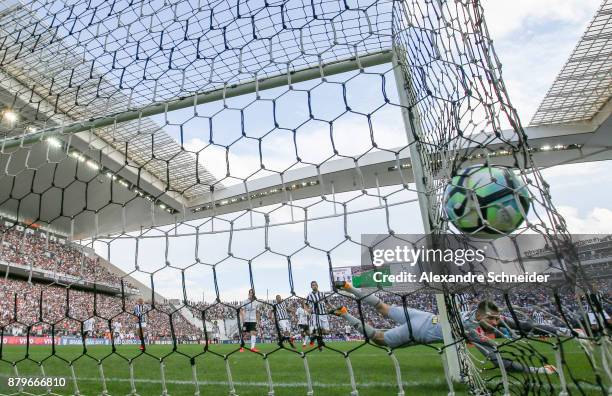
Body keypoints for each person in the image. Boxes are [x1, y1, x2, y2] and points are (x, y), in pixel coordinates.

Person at [331, 281, 559, 375]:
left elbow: (514, 323)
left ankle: (350, 288)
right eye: (494, 320)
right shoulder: (469, 329)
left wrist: (557, 330)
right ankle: (345, 313)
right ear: (481, 315)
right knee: (379, 339)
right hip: (418, 330)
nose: (497, 324)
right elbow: (500, 362)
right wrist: (537, 371)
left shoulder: (474, 314)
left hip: (424, 316)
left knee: (382, 306)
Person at [306, 281, 330, 348]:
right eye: (313, 285)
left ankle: (313, 337)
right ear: (311, 287)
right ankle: (320, 344)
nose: (314, 286)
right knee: (318, 329)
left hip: (323, 314)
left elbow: (327, 302)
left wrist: (333, 308)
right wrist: (307, 310)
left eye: (315, 285)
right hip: (315, 315)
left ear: (317, 285)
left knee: (327, 332)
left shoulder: (322, 294)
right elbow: (305, 304)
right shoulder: (309, 295)